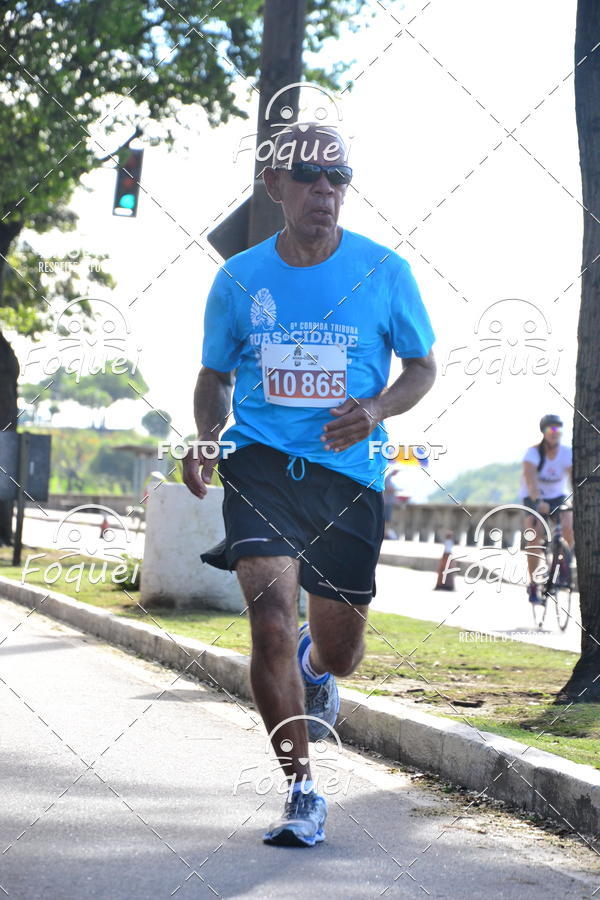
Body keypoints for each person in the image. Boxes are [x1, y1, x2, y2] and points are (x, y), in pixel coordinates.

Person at [183, 123, 436, 847]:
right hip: (261, 466)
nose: (325, 191)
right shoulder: (239, 279)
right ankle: (300, 790)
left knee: (341, 651)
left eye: (338, 179)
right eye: (308, 177)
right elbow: (215, 373)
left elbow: (422, 366)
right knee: (268, 616)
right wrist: (206, 435)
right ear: (276, 187)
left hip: (348, 478)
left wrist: (377, 409)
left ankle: (315, 666)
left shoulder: (383, 271)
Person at [519, 414, 573, 604]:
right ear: (544, 432)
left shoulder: (567, 452)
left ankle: (561, 562)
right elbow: (530, 480)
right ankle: (533, 583)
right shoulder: (533, 453)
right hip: (534, 496)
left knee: (568, 526)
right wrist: (538, 501)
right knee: (535, 536)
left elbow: (573, 479)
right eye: (550, 429)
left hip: (557, 496)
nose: (554, 433)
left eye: (557, 429)